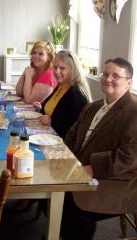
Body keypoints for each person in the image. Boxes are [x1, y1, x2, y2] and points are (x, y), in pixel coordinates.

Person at [61, 57, 137, 240]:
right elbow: (72, 135)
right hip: (80, 171)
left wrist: (93, 167)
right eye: (105, 74)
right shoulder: (93, 107)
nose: (108, 78)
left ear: (128, 82)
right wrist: (64, 157)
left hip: (118, 180)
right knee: (51, 193)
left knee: (74, 208)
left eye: (115, 75)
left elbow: (130, 157)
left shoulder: (134, 111)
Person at [38, 50, 92, 139]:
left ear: (72, 69)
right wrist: (40, 109)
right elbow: (52, 112)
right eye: (55, 67)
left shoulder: (77, 94)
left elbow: (74, 129)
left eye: (62, 68)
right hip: (48, 136)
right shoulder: (62, 85)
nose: (57, 71)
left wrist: (52, 122)